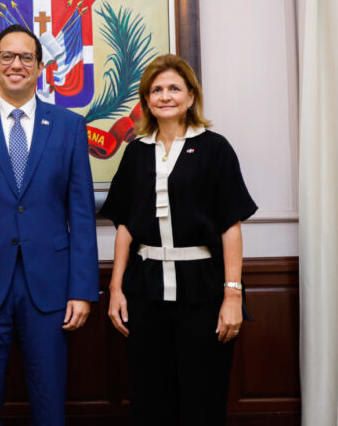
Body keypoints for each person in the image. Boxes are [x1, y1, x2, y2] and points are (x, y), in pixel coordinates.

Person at [0, 24, 99, 426]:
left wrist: (82, 289)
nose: (16, 64)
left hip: (51, 286)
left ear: (41, 67)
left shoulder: (68, 125)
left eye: (26, 57)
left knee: (49, 400)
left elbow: (80, 214)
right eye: (7, 56)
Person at [100, 54, 257, 425]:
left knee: (202, 400)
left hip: (203, 292)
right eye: (156, 89)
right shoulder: (136, 152)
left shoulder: (215, 148)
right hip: (145, 292)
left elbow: (230, 225)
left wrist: (232, 294)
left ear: (190, 97)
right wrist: (116, 288)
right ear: (146, 100)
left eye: (174, 88)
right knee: (151, 400)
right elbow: (125, 225)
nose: (165, 96)